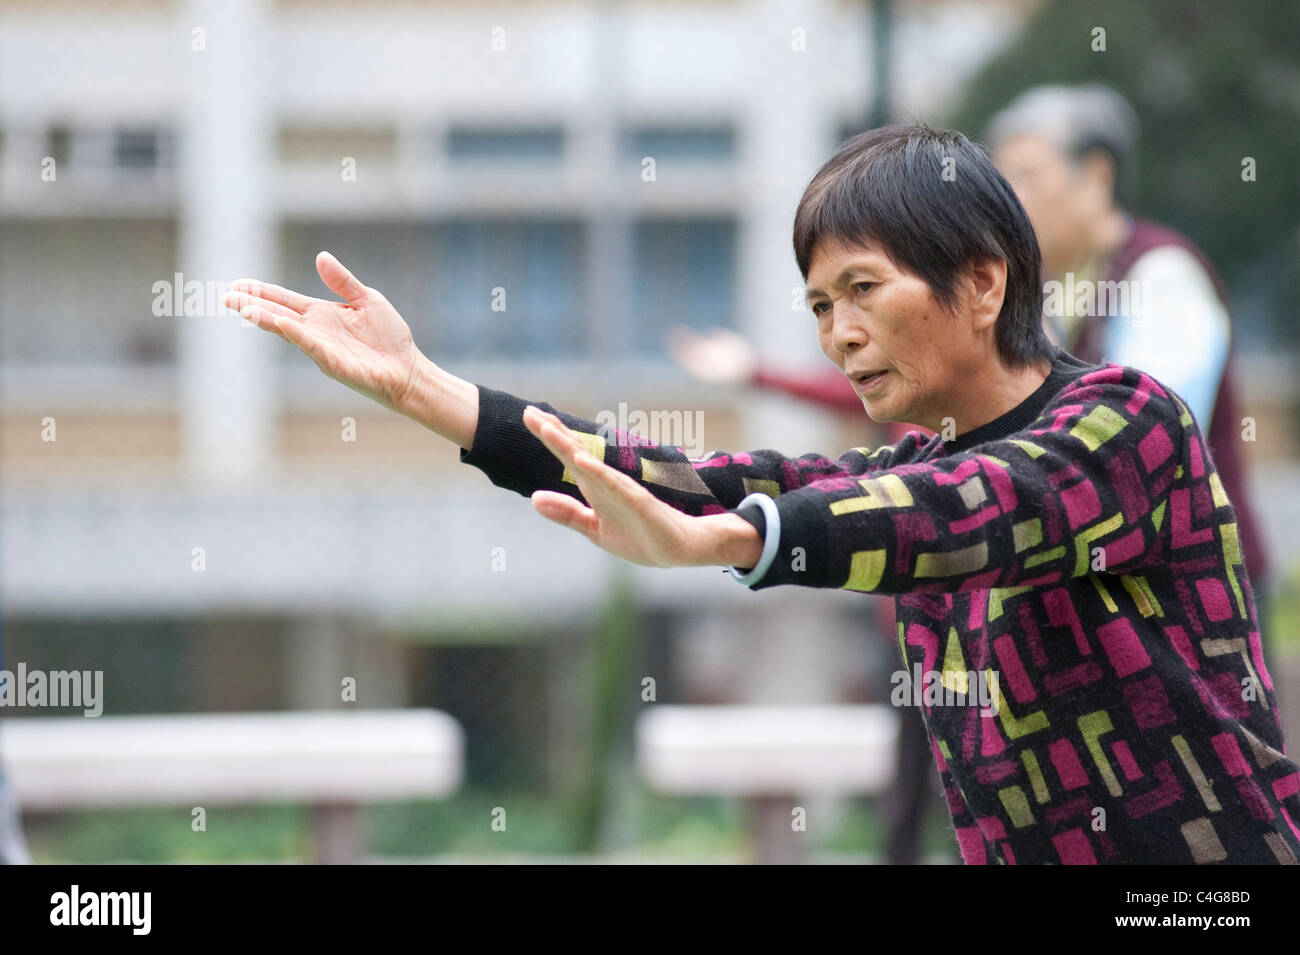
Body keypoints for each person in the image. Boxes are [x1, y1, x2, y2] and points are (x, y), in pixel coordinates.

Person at [225, 124, 1300, 864]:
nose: (837, 331)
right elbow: (703, 476)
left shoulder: (1126, 426)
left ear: (982, 282)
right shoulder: (909, 470)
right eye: (820, 303)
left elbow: (976, 512)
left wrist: (733, 540)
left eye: (864, 288)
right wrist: (431, 392)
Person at [986, 85, 1273, 637]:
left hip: (1192, 595)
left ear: (1095, 176)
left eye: (1028, 176)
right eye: (1003, 183)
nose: (1010, 202)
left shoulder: (1161, 275)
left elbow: (1139, 439)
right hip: (1110, 593)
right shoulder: (1047, 288)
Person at [667, 325, 939, 864]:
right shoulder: (917, 404)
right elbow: (842, 390)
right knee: (908, 780)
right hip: (907, 626)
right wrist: (752, 372)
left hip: (973, 627)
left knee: (966, 777)